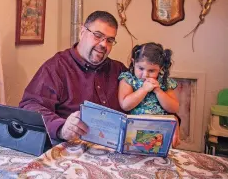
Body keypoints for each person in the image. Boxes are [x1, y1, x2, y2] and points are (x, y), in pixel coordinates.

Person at [19, 11, 181, 147]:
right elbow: (30, 106)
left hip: (121, 150)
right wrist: (61, 127)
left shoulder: (121, 71)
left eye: (110, 40)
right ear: (82, 32)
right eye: (98, 36)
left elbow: (150, 101)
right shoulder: (56, 67)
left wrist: (173, 119)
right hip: (75, 150)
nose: (104, 44)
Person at [118, 42, 179, 116]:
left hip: (160, 125)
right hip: (137, 125)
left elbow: (174, 108)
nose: (145, 75)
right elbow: (125, 105)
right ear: (133, 63)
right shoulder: (128, 79)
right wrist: (144, 89)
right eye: (141, 68)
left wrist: (158, 91)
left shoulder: (163, 81)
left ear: (160, 68)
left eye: (151, 71)